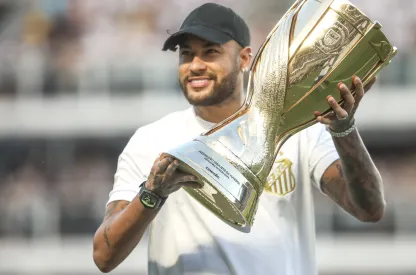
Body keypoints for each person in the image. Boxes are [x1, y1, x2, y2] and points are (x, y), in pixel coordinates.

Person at [93, 3, 385, 275]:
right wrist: (152, 194)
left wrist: (343, 129)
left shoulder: (300, 130)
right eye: (186, 54)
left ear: (245, 58)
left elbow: (368, 209)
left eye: (210, 52)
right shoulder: (152, 140)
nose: (194, 65)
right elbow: (104, 257)